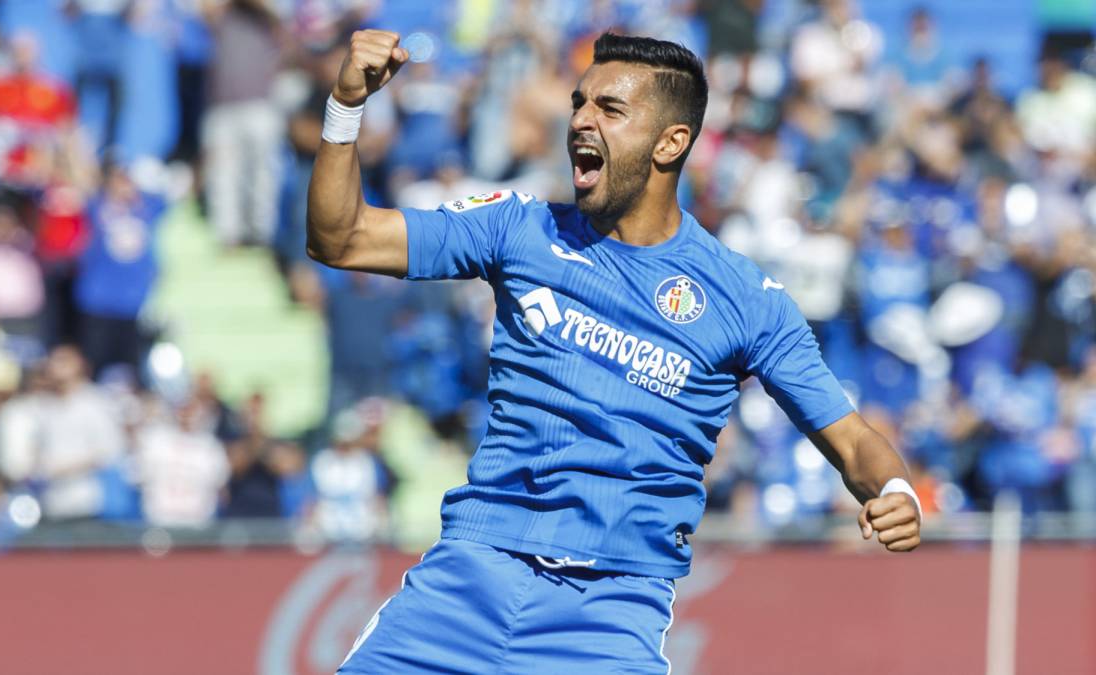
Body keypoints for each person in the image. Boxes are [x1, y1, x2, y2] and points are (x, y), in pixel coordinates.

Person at [308, 31, 922, 673]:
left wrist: (898, 491)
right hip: (466, 583)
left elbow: (852, 441)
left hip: (605, 617)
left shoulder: (747, 301)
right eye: (579, 102)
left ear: (670, 143)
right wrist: (346, 105)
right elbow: (342, 238)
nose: (580, 119)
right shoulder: (518, 227)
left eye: (610, 108)